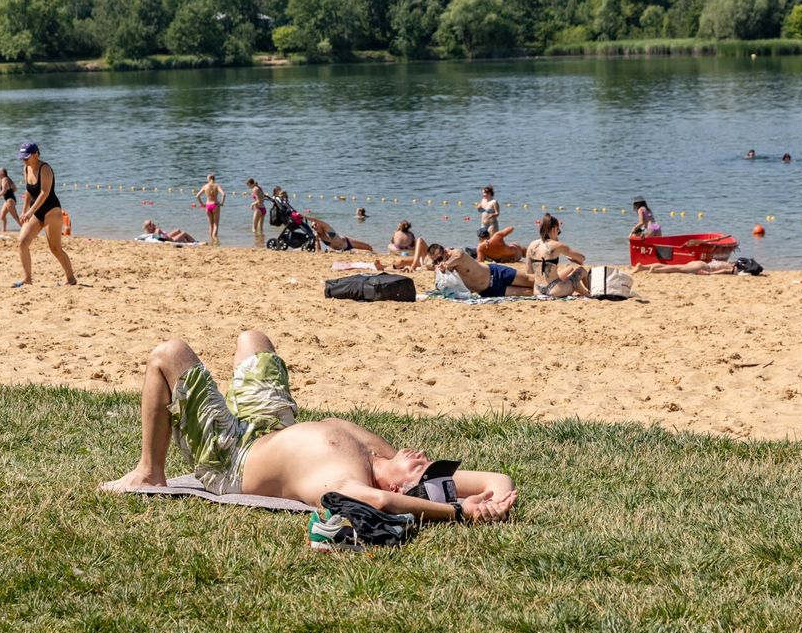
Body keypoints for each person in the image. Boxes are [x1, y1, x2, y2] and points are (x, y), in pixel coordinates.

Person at [100, 331, 517, 525]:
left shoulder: (349, 482)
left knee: (168, 353)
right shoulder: (382, 456)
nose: (423, 457)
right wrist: (492, 502)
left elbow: (382, 506)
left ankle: (148, 472)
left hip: (231, 457)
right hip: (269, 427)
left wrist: (458, 512)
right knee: (253, 340)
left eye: (422, 469)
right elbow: (498, 479)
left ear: (397, 488)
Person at [16, 141, 76, 287]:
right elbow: (28, 191)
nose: (24, 159)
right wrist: (24, 210)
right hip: (35, 211)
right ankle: (27, 278)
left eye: (27, 157)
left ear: (36, 154)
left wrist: (30, 211)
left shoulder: (45, 168)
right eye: (23, 157)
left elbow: (45, 192)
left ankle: (71, 278)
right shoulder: (26, 168)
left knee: (55, 248)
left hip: (51, 210)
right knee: (22, 242)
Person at [425, 243, 540, 297]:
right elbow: (438, 284)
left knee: (533, 281)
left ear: (445, 251)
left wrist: (446, 264)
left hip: (496, 273)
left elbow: (458, 257)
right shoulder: (440, 265)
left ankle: (557, 278)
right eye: (435, 261)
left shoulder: (456, 253)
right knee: (531, 293)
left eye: (439, 258)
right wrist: (438, 269)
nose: (438, 262)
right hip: (489, 291)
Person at [525, 214, 589, 298]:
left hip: (537, 290)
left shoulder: (531, 244)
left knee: (568, 279)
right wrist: (572, 259)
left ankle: (586, 293)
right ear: (554, 229)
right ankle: (592, 292)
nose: (558, 233)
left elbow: (529, 271)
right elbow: (582, 258)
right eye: (558, 231)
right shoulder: (557, 245)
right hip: (554, 290)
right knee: (581, 271)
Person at [196, 173, 226, 244]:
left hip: (208, 205)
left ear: (208, 179)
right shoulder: (216, 185)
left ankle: (211, 240)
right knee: (216, 224)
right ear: (214, 179)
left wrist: (202, 204)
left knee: (210, 224)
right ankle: (215, 239)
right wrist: (221, 203)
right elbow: (224, 194)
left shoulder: (205, 186)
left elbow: (197, 196)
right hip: (215, 205)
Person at [636, 260, 738, 275]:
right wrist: (710, 274)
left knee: (673, 266)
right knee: (677, 269)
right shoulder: (733, 268)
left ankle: (643, 267)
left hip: (700, 262)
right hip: (705, 268)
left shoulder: (727, 262)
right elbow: (724, 271)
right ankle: (657, 270)